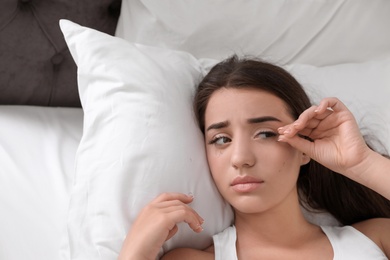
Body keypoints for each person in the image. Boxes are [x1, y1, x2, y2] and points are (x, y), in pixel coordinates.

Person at [119, 56, 390, 259]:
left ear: (305, 146)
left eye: (265, 134)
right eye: (221, 139)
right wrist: (133, 254)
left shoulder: (376, 239)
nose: (241, 158)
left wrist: (362, 163)